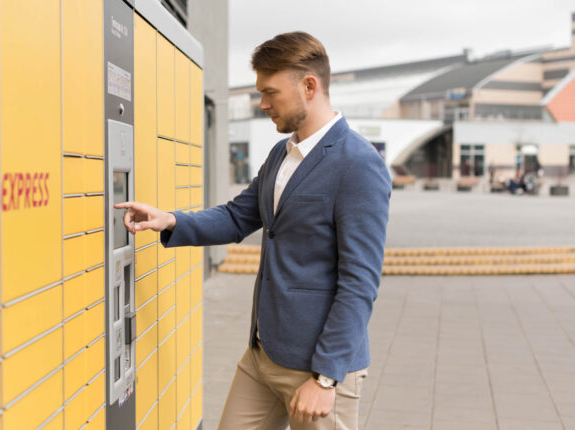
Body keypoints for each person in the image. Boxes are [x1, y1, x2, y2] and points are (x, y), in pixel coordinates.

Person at [115, 32, 390, 430]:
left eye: (270, 92)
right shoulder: (282, 154)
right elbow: (237, 216)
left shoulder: (358, 164)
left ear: (309, 86)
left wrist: (326, 377)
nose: (262, 104)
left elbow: (360, 280)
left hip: (318, 368)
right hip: (262, 355)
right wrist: (171, 220)